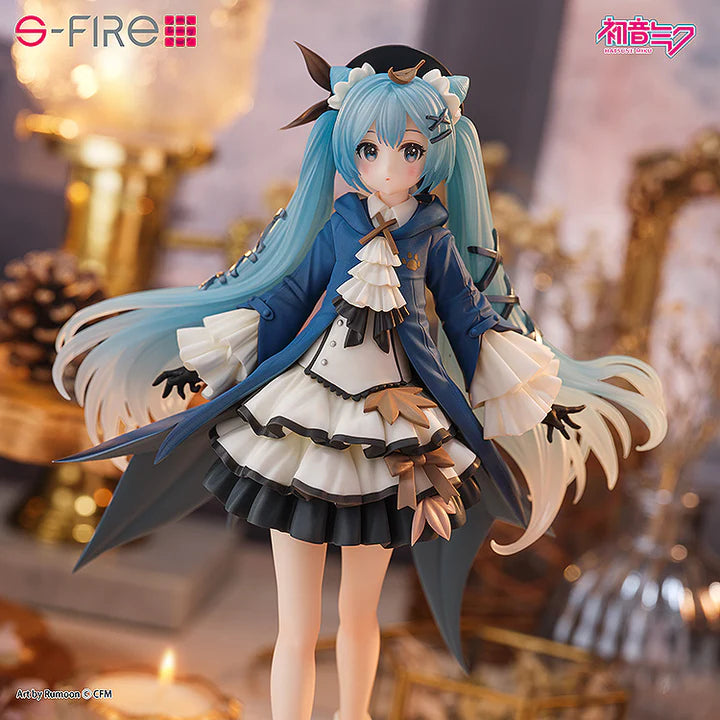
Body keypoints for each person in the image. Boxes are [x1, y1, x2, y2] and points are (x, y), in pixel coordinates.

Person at [52, 44, 667, 720]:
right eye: (369, 150)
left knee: (360, 612)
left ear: (437, 151)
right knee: (295, 621)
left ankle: (355, 713)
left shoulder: (432, 236)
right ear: (347, 149)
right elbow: (286, 299)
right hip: (304, 415)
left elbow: (468, 318)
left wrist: (532, 393)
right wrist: (205, 361)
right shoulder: (339, 225)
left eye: (410, 150)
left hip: (397, 434)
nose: (390, 168)